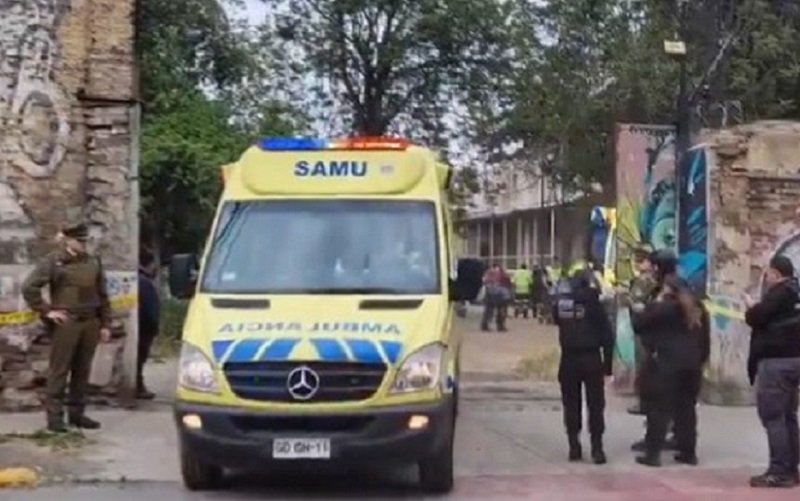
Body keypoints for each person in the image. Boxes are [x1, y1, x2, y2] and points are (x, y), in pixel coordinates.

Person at [22, 220, 112, 432]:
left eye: (85, 241)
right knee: (59, 370)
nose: (83, 244)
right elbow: (29, 287)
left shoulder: (93, 262)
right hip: (67, 322)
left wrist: (105, 323)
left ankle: (77, 413)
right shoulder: (54, 262)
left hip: (90, 321)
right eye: (79, 241)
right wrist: (46, 311)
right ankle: (55, 418)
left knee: (82, 370)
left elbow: (103, 295)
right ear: (69, 240)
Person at [632, 271, 708, 467]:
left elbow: (639, 325)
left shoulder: (664, 308)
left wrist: (647, 305)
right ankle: (688, 453)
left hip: (668, 364)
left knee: (659, 409)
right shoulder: (698, 309)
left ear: (668, 289)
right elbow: (705, 342)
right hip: (692, 365)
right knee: (686, 410)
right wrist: (699, 361)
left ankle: (652, 454)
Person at [745, 255, 800, 488]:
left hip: (775, 362)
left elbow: (757, 317)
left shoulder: (779, 293)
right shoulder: (796, 292)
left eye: (767, 274)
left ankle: (779, 470)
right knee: (788, 416)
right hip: (794, 360)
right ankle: (791, 467)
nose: (765, 279)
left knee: (774, 416)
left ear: (776, 274)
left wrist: (750, 307)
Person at [553, 271, 615, 464]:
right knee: (595, 405)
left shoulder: (563, 303)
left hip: (568, 358)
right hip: (592, 358)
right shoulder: (595, 304)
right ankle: (597, 448)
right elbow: (607, 335)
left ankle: (574, 445)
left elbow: (557, 320)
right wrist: (608, 365)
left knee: (570, 403)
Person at [137, 247, 161, 400]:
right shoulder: (144, 283)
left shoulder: (139, 280)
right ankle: (139, 387)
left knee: (139, 359)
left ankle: (139, 386)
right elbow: (150, 307)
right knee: (140, 358)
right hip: (144, 327)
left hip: (141, 326)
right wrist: (154, 326)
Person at [481, 263, 509, 332]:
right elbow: (506, 282)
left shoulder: (488, 272)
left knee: (488, 310)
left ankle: (485, 325)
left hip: (490, 293)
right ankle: (500, 325)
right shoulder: (501, 272)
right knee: (501, 309)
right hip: (500, 293)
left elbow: (484, 281)